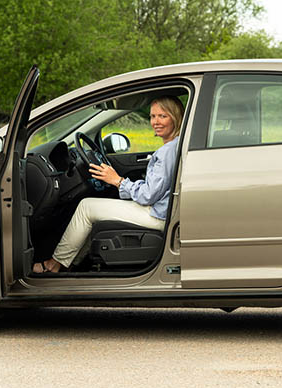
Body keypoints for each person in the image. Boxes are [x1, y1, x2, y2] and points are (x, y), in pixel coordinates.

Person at [33, 95, 185, 273]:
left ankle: (53, 265)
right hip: (161, 210)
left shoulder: (167, 152)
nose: (155, 122)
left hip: (157, 215)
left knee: (86, 207)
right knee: (93, 211)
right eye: (152, 116)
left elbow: (149, 195)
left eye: (162, 116)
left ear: (175, 118)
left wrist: (118, 181)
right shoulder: (173, 146)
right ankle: (74, 263)